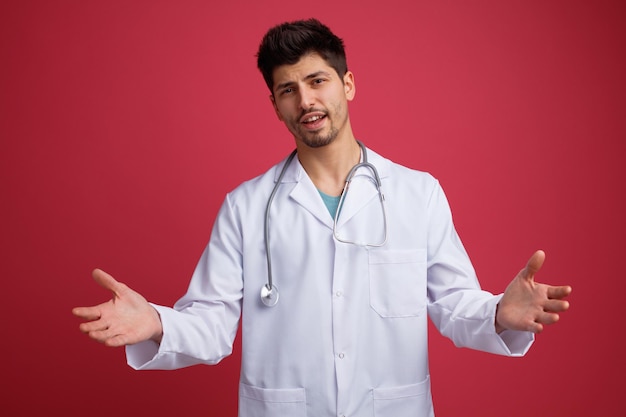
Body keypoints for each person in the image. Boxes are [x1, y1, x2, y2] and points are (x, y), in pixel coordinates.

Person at [73, 18, 572, 417]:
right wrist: (157, 323)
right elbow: (212, 325)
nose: (306, 100)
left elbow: (454, 304)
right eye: (287, 89)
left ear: (347, 84)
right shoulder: (246, 207)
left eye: (317, 81)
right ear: (275, 105)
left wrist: (498, 315)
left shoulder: (417, 194)